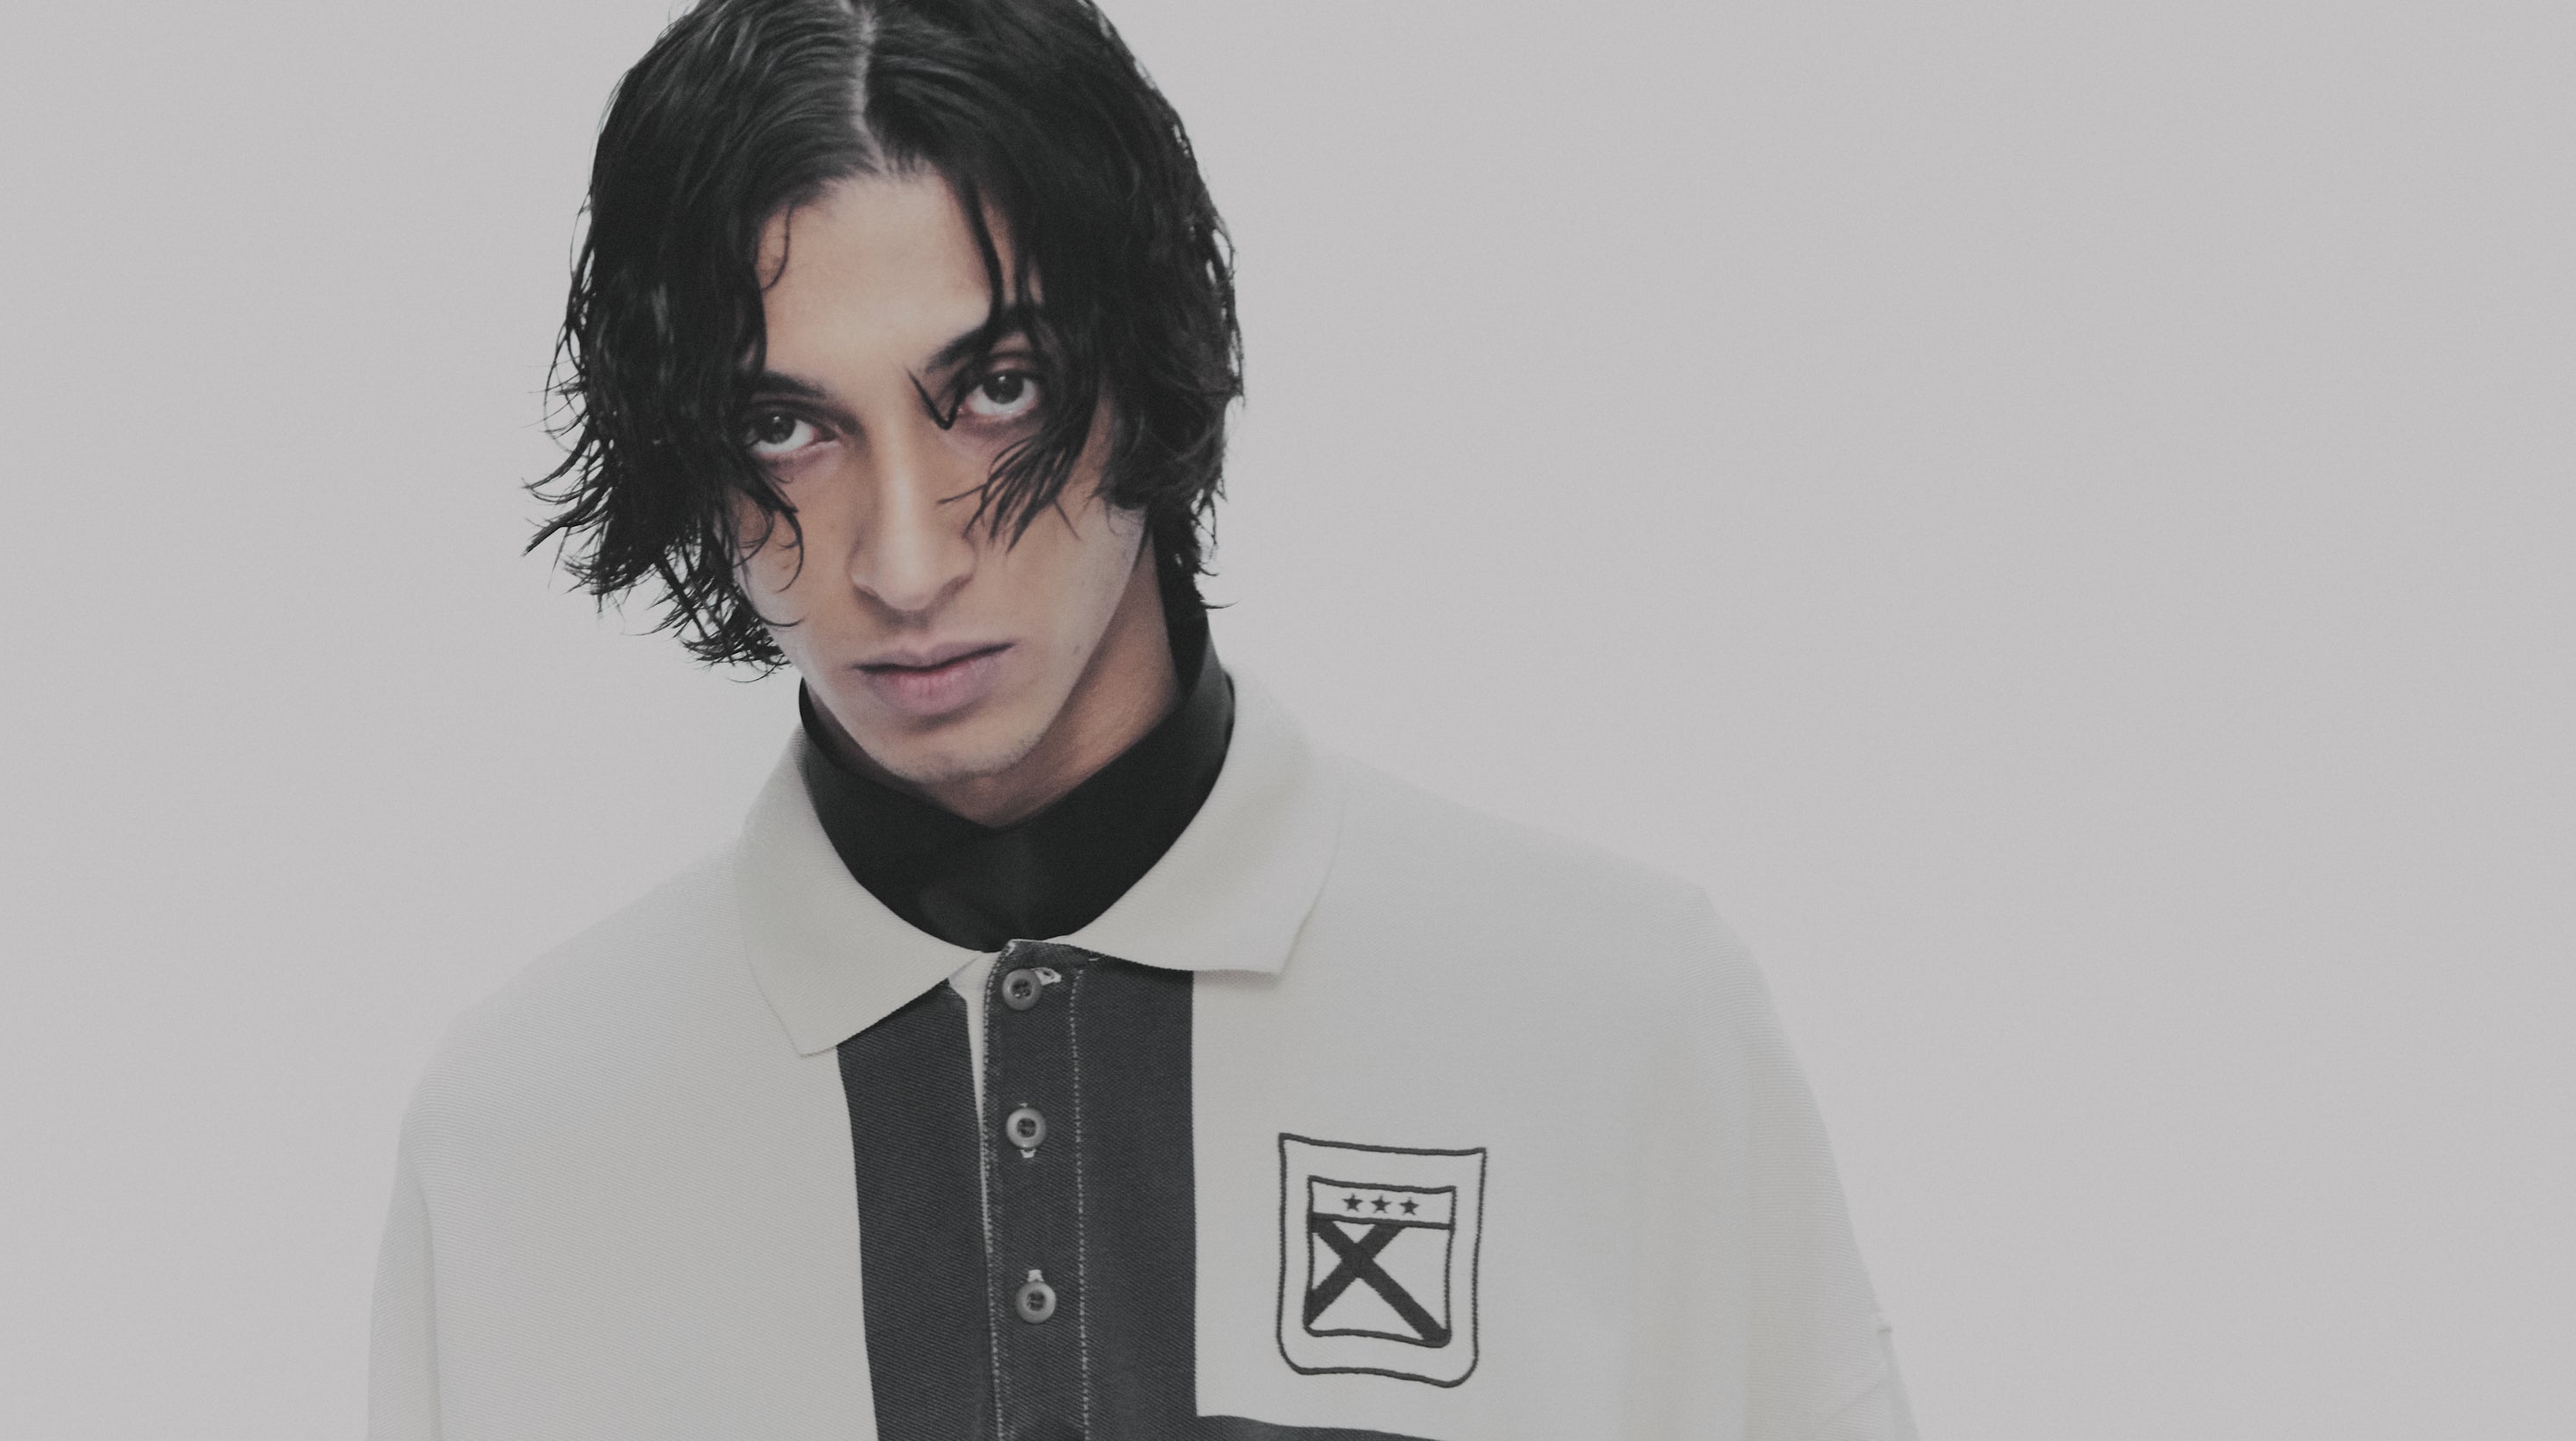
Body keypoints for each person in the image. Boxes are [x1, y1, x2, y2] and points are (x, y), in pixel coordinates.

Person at [368, 1, 1918, 1436]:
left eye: (996, 389)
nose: (904, 562)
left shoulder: (1618, 1031)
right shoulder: (524, 1148)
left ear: (1150, 364)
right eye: (787, 426)